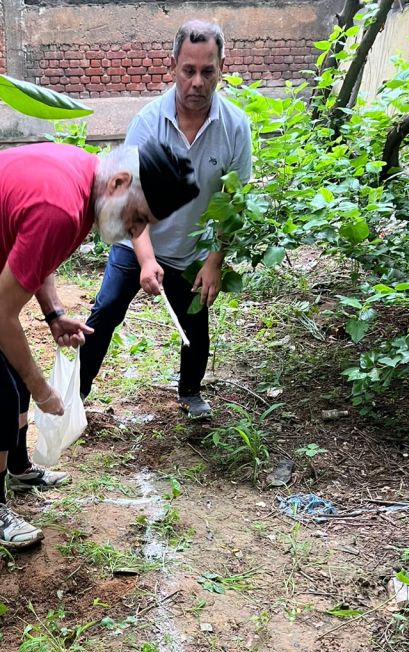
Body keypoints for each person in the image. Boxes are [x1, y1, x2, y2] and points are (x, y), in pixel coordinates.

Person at [0, 140, 199, 550]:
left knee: (14, 381)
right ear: (119, 182)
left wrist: (54, 313)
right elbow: (0, 312)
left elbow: (36, 254)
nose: (135, 231)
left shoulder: (85, 181)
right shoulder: (61, 208)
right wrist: (42, 389)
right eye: (138, 217)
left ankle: (19, 468)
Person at [79, 19, 253, 418]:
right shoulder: (147, 122)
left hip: (192, 250)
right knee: (106, 311)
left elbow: (234, 203)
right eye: (188, 70)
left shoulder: (235, 127)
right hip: (137, 241)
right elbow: (127, 200)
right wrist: (145, 259)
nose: (197, 82)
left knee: (195, 324)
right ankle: (75, 394)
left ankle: (190, 392)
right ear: (173, 65)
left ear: (221, 68)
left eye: (207, 71)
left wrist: (214, 262)